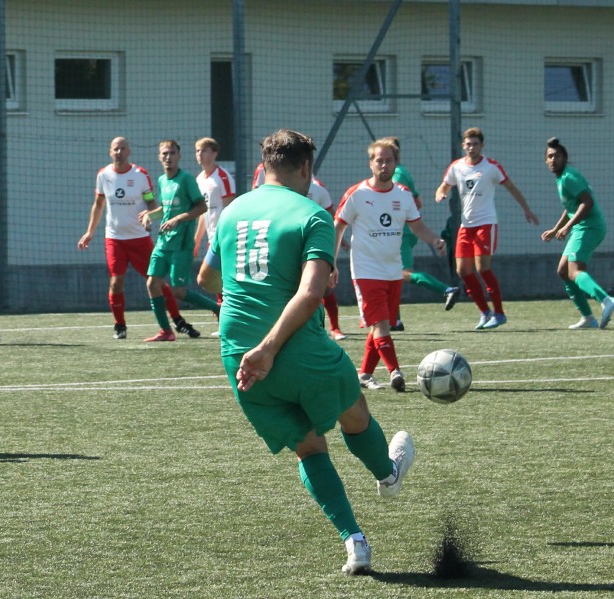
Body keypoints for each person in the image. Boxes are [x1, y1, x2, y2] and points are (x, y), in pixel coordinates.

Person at [198, 129, 415, 575]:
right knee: (353, 410)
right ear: (306, 168)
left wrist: (249, 307)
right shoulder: (313, 213)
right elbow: (312, 291)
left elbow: (206, 279)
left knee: (308, 446)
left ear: (264, 166)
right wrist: (269, 346)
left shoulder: (233, 210)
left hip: (237, 356)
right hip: (292, 350)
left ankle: (355, 542)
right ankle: (387, 474)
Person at [334, 140, 447, 392]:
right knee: (382, 324)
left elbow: (417, 226)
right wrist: (331, 263)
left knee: (380, 325)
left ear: (396, 163)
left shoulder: (403, 194)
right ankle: (395, 372)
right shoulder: (357, 194)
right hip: (365, 271)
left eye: (389, 160)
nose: (384, 165)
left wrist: (434, 240)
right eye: (379, 160)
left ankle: (364, 374)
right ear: (370, 163)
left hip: (393, 270)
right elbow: (338, 227)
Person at [78, 137, 196, 340]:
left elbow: (151, 202)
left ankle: (178, 320)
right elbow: (98, 204)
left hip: (139, 238)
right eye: (116, 149)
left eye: (123, 148)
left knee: (156, 282)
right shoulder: (103, 175)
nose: (119, 152)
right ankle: (120, 325)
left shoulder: (140, 175)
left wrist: (151, 219)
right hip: (114, 238)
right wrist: (90, 232)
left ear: (129, 151)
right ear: (110, 152)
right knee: (116, 282)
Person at [434, 127, 539, 330]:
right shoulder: (456, 167)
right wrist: (441, 193)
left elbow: (511, 187)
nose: (471, 147)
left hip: (486, 224)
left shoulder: (491, 167)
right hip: (466, 225)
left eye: (475, 144)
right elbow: (444, 185)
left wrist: (526, 209)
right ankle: (485, 312)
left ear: (482, 146)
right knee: (463, 270)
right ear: (463, 146)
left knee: (482, 267)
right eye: (468, 144)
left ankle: (499, 313)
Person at [254, 163, 347, 339]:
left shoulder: (318, 189)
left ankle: (334, 328)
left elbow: (331, 216)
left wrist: (339, 243)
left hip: (311, 244)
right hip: (283, 243)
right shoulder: (263, 173)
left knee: (322, 286)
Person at [379, 137, 459, 331]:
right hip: (402, 231)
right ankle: (395, 321)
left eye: (387, 157)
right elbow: (418, 202)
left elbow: (394, 199)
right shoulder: (402, 171)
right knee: (391, 275)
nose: (383, 162)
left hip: (400, 232)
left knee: (403, 273)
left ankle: (446, 289)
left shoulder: (397, 175)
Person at [542, 137, 614, 329]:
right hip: (582, 227)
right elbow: (571, 206)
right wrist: (556, 228)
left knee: (574, 271)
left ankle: (606, 300)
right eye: (550, 157)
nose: (553, 160)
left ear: (565, 158)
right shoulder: (562, 178)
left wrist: (567, 227)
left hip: (590, 226)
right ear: (545, 161)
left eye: (557, 156)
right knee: (563, 271)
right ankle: (588, 318)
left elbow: (587, 203)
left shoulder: (569, 177)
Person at [141, 140, 207, 342]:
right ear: (159, 157)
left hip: (182, 244)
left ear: (179, 156)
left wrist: (178, 219)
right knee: (152, 283)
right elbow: (165, 210)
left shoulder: (186, 179)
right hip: (163, 243)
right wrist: (149, 215)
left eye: (172, 153)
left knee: (178, 292)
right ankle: (166, 331)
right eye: (164, 153)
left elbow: (201, 207)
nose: (168, 157)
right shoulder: (162, 180)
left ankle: (217, 308)